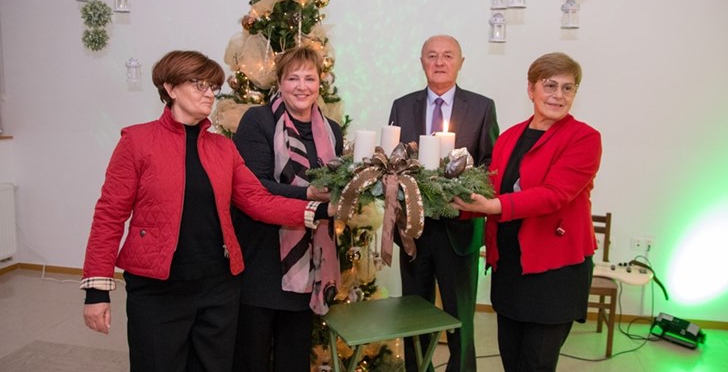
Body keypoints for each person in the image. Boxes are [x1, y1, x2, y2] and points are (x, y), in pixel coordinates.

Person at [80, 50, 333, 372]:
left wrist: (322, 211)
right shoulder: (137, 141)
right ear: (170, 88)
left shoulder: (223, 148)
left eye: (213, 87)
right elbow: (109, 215)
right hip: (159, 290)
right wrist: (97, 291)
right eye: (200, 85)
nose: (210, 94)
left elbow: (257, 200)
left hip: (218, 288)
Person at [452, 52, 602, 372]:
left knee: (536, 364)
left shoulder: (585, 138)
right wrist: (450, 202)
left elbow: (554, 195)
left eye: (567, 88)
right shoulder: (508, 137)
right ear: (531, 89)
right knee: (511, 359)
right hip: (510, 268)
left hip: (554, 272)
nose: (558, 95)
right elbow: (489, 189)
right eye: (549, 85)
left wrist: (493, 206)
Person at [388, 34, 499, 372]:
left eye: (447, 55)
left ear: (460, 63)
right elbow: (391, 160)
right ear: (422, 62)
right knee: (413, 315)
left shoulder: (481, 107)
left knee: (460, 317)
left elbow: (491, 166)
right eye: (432, 55)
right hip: (413, 230)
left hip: (459, 230)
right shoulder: (402, 105)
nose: (439, 62)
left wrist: (465, 193)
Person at [231, 46, 343, 372]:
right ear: (279, 82)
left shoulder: (331, 131)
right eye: (293, 78)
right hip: (262, 259)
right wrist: (308, 192)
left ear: (320, 83)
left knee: (293, 360)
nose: (301, 86)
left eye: (310, 78)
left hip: (308, 265)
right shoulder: (258, 121)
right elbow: (254, 186)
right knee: (251, 358)